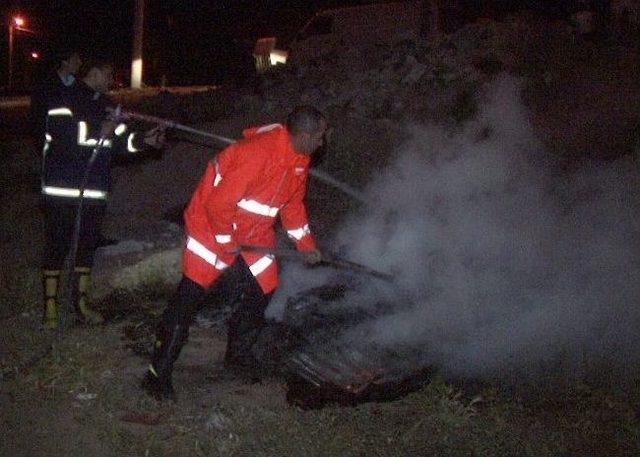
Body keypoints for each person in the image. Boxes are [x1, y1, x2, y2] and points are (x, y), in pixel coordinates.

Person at [142, 106, 327, 401]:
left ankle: (236, 355)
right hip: (211, 227)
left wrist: (306, 246)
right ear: (303, 135)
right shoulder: (257, 154)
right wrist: (227, 241)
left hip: (254, 233)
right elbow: (218, 205)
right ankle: (157, 374)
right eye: (319, 137)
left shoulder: (299, 159)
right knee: (189, 296)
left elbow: (292, 206)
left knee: (265, 287)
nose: (322, 142)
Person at [40, 60, 165, 329]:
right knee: (58, 245)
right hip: (62, 190)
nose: (111, 78)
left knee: (86, 246)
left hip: (94, 192)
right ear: (92, 73)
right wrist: (100, 132)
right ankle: (50, 305)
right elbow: (62, 141)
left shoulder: (108, 105)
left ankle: (81, 303)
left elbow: (119, 142)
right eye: (108, 72)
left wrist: (144, 141)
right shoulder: (63, 99)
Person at [30, 46, 83, 152]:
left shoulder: (78, 86)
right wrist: (42, 142)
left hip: (72, 144)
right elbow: (38, 116)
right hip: (53, 145)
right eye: (75, 59)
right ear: (65, 62)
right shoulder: (46, 86)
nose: (79, 62)